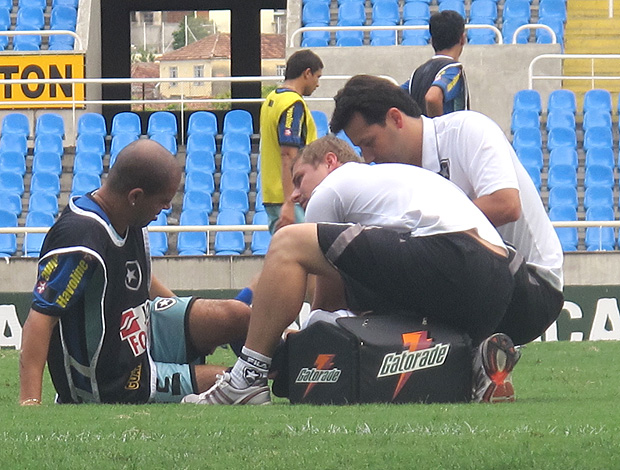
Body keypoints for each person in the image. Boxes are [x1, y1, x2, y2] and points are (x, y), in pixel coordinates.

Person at [181, 136, 517, 406]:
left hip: (451, 254)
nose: (296, 195)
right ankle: (472, 361)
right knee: (377, 315)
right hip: (497, 283)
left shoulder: (336, 184)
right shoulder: (392, 183)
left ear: (330, 162)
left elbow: (325, 305)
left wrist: (302, 347)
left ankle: (245, 379)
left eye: (300, 179)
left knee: (287, 243)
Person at [329, 74, 564, 349]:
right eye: (359, 148)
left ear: (396, 118)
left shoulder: (468, 130)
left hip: (534, 287)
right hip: (482, 283)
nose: (367, 157)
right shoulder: (399, 175)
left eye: (369, 143)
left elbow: (506, 204)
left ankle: (470, 358)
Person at [19, 140, 251, 405]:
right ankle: (288, 380)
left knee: (239, 315)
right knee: (234, 383)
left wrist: (186, 320)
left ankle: (294, 364)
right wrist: (30, 403)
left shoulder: (129, 217)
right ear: (135, 196)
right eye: (163, 202)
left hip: (141, 330)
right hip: (114, 378)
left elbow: (139, 278)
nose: (165, 210)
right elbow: (41, 318)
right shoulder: (81, 237)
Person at [259, 49, 323, 234]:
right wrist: (289, 201)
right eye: (317, 77)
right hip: (291, 198)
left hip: (272, 194)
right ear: (307, 73)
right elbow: (287, 154)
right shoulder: (292, 104)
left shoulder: (272, 99)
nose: (317, 84)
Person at [401, 10, 469, 117]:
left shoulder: (418, 73)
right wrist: (437, 130)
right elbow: (432, 97)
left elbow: (395, 96)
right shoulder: (453, 70)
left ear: (432, 40)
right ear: (462, 39)